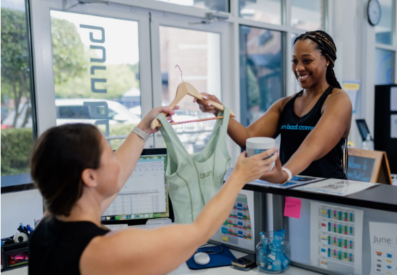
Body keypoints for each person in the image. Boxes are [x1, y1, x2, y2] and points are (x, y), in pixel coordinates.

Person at [28, 106, 277, 275]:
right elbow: (198, 234)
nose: (117, 162)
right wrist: (239, 177)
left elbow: (121, 169)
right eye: (109, 155)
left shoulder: (46, 229)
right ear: (90, 177)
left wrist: (143, 130)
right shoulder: (104, 250)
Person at [195, 30, 352, 183]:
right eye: (294, 61)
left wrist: (285, 173)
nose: (299, 68)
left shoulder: (338, 100)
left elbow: (312, 146)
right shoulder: (285, 105)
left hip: (330, 195)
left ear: (327, 60)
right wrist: (219, 110)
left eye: (307, 60)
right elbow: (248, 137)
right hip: (294, 191)